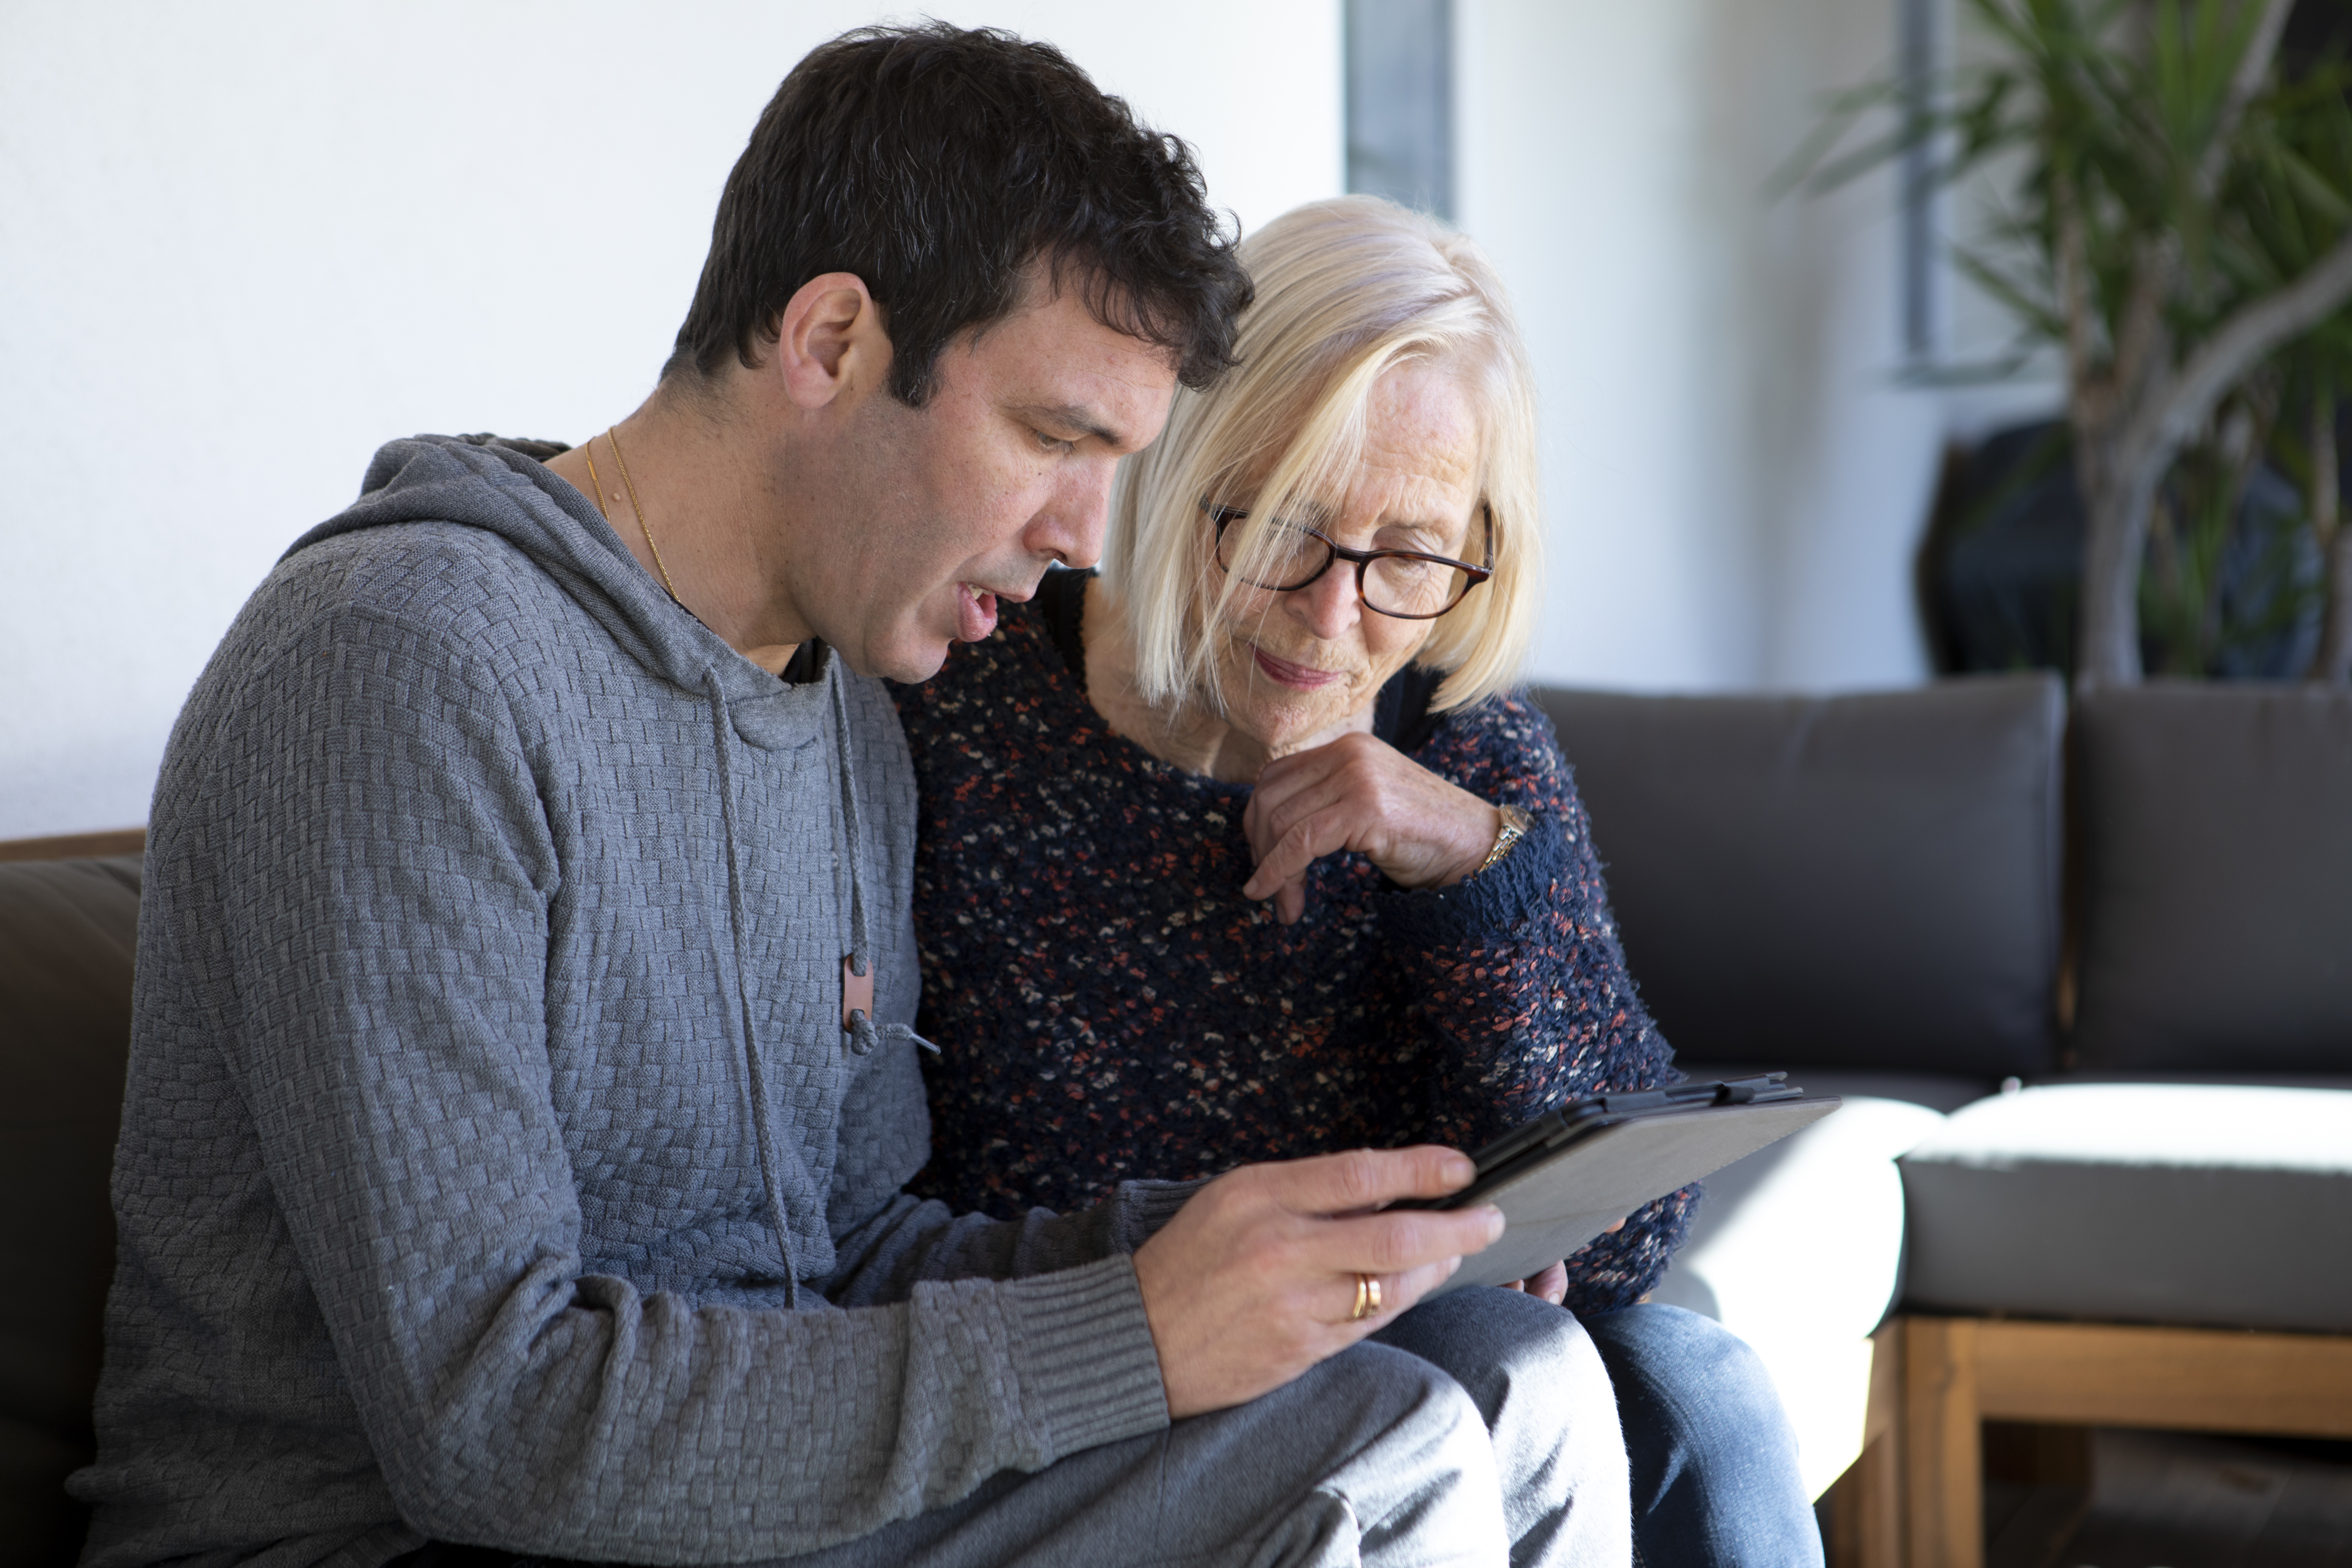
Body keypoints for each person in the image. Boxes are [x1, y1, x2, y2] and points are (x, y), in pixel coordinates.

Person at [73, 27, 1636, 1568]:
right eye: (1053, 435)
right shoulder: (402, 669)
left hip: (756, 1502)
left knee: (1516, 1372)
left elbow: (861, 1254)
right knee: (1391, 1447)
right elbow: (492, 1417)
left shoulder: (843, 712)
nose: (1090, 538)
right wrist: (1137, 1332)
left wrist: (1287, 1258)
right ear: (830, 341)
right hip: (403, 1537)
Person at [894, 196, 1823, 1566]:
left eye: (1410, 556)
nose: (1336, 621)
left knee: (1699, 1394)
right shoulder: (967, 704)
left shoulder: (1462, 738)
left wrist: (1469, 865)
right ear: (1186, 459)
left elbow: (1627, 1249)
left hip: (1423, 1348)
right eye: (1282, 527)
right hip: (1096, 1365)